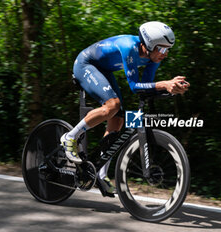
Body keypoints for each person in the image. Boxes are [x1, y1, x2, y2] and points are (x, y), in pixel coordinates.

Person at [61, 21, 190, 197]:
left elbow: (146, 87)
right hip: (86, 64)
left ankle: (100, 172)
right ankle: (70, 137)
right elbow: (135, 87)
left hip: (104, 70)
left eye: (168, 50)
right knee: (113, 105)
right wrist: (164, 84)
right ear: (150, 44)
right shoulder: (129, 47)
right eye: (162, 49)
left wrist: (171, 89)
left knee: (119, 119)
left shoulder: (154, 59)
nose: (165, 55)